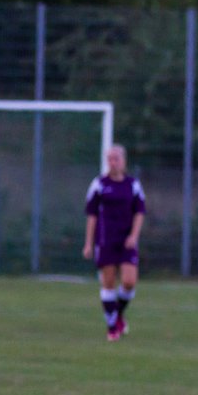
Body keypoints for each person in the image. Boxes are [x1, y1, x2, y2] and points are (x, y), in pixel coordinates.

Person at [82, 145, 145, 341]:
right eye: (109, 159)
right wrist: (88, 243)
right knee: (108, 283)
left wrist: (134, 236)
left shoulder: (133, 185)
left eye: (116, 158)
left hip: (126, 240)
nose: (112, 162)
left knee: (129, 282)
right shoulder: (99, 184)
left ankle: (117, 315)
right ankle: (112, 328)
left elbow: (140, 212)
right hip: (106, 240)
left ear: (123, 161)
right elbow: (91, 215)